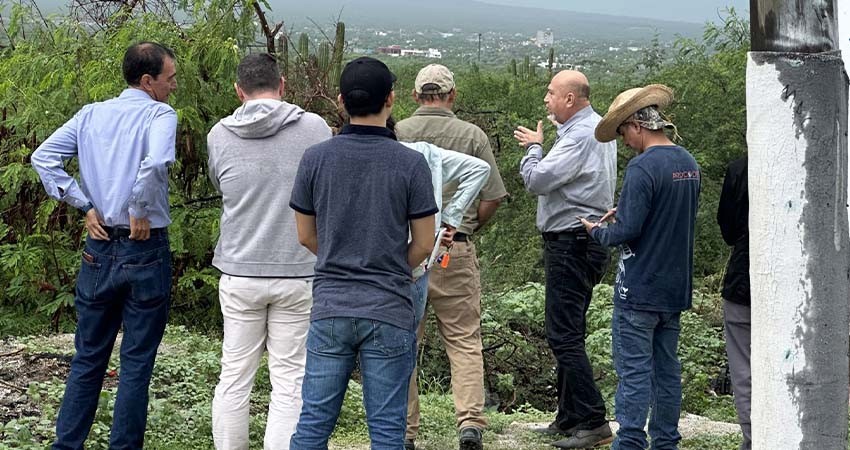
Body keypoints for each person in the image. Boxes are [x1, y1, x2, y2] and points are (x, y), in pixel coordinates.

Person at [31, 42, 178, 450]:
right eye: (170, 78)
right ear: (148, 81)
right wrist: (139, 207)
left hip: (98, 247)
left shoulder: (90, 114)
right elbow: (157, 161)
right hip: (145, 246)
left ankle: (66, 445)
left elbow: (43, 158)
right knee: (135, 364)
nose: (174, 86)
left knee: (88, 358)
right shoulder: (159, 113)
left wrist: (84, 204)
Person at [288, 56, 438, 449]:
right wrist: (388, 264)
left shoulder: (316, 158)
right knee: (388, 430)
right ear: (391, 99)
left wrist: (341, 253)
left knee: (313, 423)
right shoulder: (411, 163)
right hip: (388, 306)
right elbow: (424, 242)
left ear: (341, 101)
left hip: (331, 305)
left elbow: (306, 236)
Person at [207, 53, 332, 450]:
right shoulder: (314, 128)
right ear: (282, 84)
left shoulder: (218, 134)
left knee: (235, 374)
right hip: (299, 268)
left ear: (238, 90)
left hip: (240, 269)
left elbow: (221, 184)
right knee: (291, 378)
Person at [580, 84, 700, 450]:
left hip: (639, 290)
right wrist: (629, 214)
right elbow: (672, 218)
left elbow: (626, 232)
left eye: (623, 132)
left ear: (636, 125)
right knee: (667, 371)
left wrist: (596, 230)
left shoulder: (642, 167)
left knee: (633, 373)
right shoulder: (688, 163)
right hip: (674, 288)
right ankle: (666, 442)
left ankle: (630, 441)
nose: (624, 141)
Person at [395, 63, 508, 450]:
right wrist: (469, 226)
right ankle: (469, 424)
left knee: (404, 339)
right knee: (463, 339)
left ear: (415, 96)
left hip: (407, 251)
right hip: (453, 248)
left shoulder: (399, 132)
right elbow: (492, 195)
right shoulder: (471, 135)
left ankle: (405, 430)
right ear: (452, 95)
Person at [513, 70, 617, 449]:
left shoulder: (578, 135)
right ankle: (570, 415)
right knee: (569, 330)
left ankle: (593, 420)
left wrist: (533, 149)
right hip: (582, 242)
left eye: (551, 92)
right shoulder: (596, 128)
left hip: (571, 243)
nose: (546, 99)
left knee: (563, 335)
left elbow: (537, 181)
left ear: (570, 99)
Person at [716, 156, 751, 450]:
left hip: (743, 279)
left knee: (743, 369)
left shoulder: (740, 167)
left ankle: (753, 438)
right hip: (801, 281)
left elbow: (726, 227)